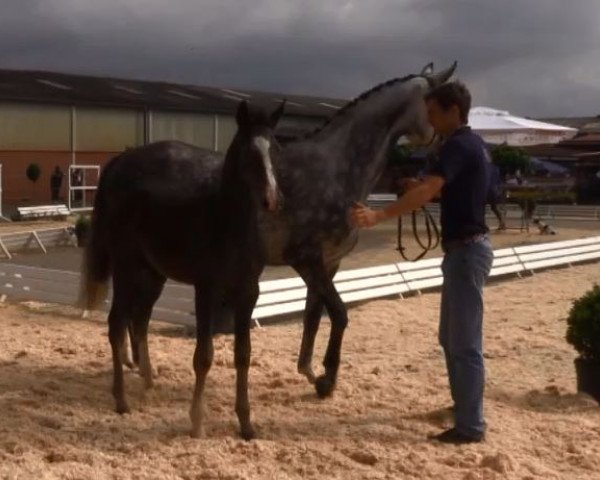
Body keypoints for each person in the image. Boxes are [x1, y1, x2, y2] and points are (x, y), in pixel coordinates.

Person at [352, 81, 493, 444]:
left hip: (466, 252)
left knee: (464, 343)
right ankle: (463, 409)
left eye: (432, 114)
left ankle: (471, 426)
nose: (428, 121)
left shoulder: (458, 145)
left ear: (452, 111)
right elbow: (442, 187)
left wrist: (378, 216)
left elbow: (430, 192)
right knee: (450, 338)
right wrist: (422, 182)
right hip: (464, 251)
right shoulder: (471, 145)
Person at [487, 162, 506, 230]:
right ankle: (502, 223)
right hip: (494, 189)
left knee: (493, 207)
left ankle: (502, 223)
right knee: (494, 207)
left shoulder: (488, 167)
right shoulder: (495, 168)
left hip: (488, 189)